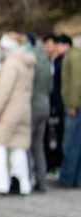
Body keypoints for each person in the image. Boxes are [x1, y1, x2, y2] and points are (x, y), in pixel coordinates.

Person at [0, 32, 35, 195]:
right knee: (19, 147)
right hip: (24, 110)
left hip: (9, 111)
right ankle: (22, 184)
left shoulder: (11, 63)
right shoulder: (28, 62)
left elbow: (4, 91)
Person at [27, 35, 52, 191]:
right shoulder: (45, 60)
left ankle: (26, 180)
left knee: (26, 146)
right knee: (39, 145)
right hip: (45, 105)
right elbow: (50, 86)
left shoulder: (30, 60)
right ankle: (41, 181)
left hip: (31, 106)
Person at [57, 34, 81, 188]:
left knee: (70, 143)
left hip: (74, 107)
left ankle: (67, 177)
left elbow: (76, 81)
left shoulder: (73, 57)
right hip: (75, 104)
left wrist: (72, 104)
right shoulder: (72, 56)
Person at [43, 33, 64, 174]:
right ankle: (50, 165)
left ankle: (58, 165)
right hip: (48, 103)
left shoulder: (62, 62)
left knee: (60, 134)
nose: (46, 47)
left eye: (48, 44)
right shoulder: (47, 61)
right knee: (49, 136)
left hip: (60, 103)